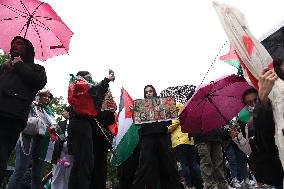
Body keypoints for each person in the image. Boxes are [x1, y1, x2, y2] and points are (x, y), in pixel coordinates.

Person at [0, 36, 47, 185]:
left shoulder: (37, 69)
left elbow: (38, 82)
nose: (14, 46)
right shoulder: (6, 67)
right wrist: (3, 69)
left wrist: (19, 65)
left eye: (19, 44)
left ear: (28, 49)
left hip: (11, 117)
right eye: (12, 43)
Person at [67, 71, 116, 189]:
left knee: (86, 163)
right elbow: (93, 92)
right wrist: (106, 80)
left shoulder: (88, 93)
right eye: (88, 78)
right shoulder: (78, 85)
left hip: (86, 127)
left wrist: (109, 108)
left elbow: (95, 99)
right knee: (83, 163)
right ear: (81, 78)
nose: (90, 81)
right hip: (79, 125)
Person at [132, 85, 184, 189]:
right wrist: (135, 114)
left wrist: (170, 110)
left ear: (154, 92)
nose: (148, 93)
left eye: (150, 91)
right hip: (147, 138)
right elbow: (137, 123)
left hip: (163, 136)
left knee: (170, 164)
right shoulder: (140, 107)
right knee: (144, 165)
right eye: (146, 92)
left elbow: (169, 121)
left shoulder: (163, 104)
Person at [7, 89, 55, 189]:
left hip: (42, 140)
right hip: (27, 137)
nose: (47, 98)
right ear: (39, 95)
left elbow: (52, 126)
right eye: (45, 95)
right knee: (20, 169)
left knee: (37, 171)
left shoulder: (48, 111)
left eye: (49, 97)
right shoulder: (31, 104)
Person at [248, 61, 284, 188]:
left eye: (255, 100)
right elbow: (260, 144)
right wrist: (262, 98)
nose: (252, 105)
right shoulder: (255, 120)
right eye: (249, 103)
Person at [168, 102, 203, 189]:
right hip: (189, 141)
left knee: (184, 165)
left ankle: (189, 185)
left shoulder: (175, 110)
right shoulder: (185, 112)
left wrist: (165, 129)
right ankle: (199, 185)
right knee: (194, 164)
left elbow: (172, 125)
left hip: (179, 141)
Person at [51, 106, 73, 189]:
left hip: (71, 152)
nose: (62, 113)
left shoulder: (75, 124)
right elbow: (56, 136)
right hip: (60, 153)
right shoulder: (60, 123)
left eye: (64, 111)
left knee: (68, 175)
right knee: (57, 174)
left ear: (69, 112)